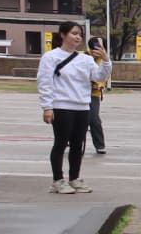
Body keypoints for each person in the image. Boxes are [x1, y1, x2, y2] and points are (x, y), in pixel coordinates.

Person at [37, 21, 102, 195]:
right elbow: (45, 83)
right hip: (61, 106)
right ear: (63, 35)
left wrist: (106, 60)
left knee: (77, 145)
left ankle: (75, 178)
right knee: (61, 143)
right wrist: (47, 107)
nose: (78, 37)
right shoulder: (50, 57)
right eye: (74, 33)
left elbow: (99, 76)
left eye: (80, 34)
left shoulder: (86, 59)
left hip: (82, 106)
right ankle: (58, 180)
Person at [86, 36, 109, 155]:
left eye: (100, 47)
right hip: (79, 92)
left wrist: (99, 85)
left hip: (94, 94)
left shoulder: (104, 59)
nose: (98, 50)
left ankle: (100, 144)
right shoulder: (83, 56)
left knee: (93, 118)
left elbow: (104, 75)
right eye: (95, 48)